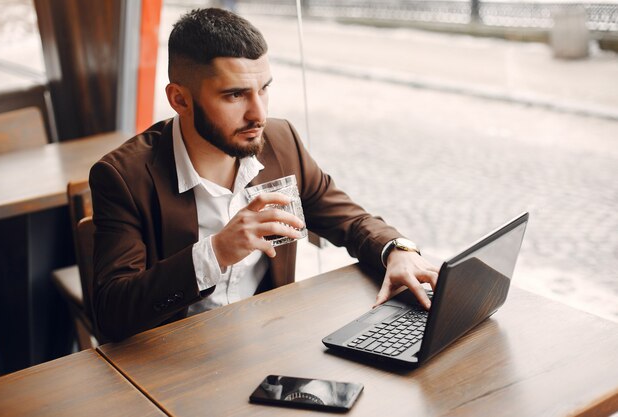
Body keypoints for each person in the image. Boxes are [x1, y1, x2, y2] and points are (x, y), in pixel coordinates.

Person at [89, 7, 438, 341]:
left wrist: (398, 249)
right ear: (180, 100)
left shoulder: (281, 142)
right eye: (235, 95)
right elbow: (112, 313)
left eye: (264, 89)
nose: (258, 114)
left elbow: (349, 219)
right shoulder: (124, 177)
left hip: (270, 342)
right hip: (171, 366)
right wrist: (215, 252)